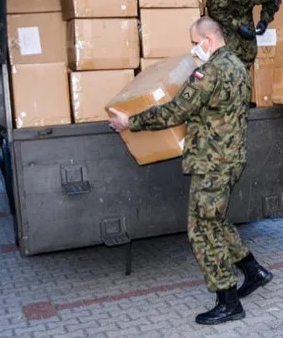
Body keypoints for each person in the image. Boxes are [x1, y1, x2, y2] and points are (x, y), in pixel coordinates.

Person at [108, 17, 272, 325]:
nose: (194, 48)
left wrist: (130, 122)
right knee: (216, 221)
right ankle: (254, 271)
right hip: (231, 158)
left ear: (208, 40)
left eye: (195, 42)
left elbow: (175, 111)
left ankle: (228, 300)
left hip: (212, 163)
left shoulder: (208, 72)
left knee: (202, 230)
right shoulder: (238, 66)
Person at [206, 0, 282, 67]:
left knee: (249, 51)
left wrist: (264, 21)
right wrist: (237, 26)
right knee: (228, 51)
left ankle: (243, 74)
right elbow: (214, 8)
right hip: (223, 10)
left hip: (244, 10)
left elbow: (272, 4)